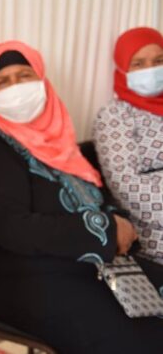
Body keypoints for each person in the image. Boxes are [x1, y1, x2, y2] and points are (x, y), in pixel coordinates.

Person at [0, 40, 163, 354]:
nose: (15, 88)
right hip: (26, 280)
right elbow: (15, 229)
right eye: (3, 82)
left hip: (90, 265)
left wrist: (119, 223)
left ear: (42, 80)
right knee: (142, 341)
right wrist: (106, 229)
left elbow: (93, 195)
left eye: (24, 76)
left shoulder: (58, 142)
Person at [93, 27, 163, 267]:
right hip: (153, 233)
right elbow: (126, 185)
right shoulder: (115, 116)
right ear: (123, 69)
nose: (150, 70)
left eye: (158, 61)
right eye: (139, 63)